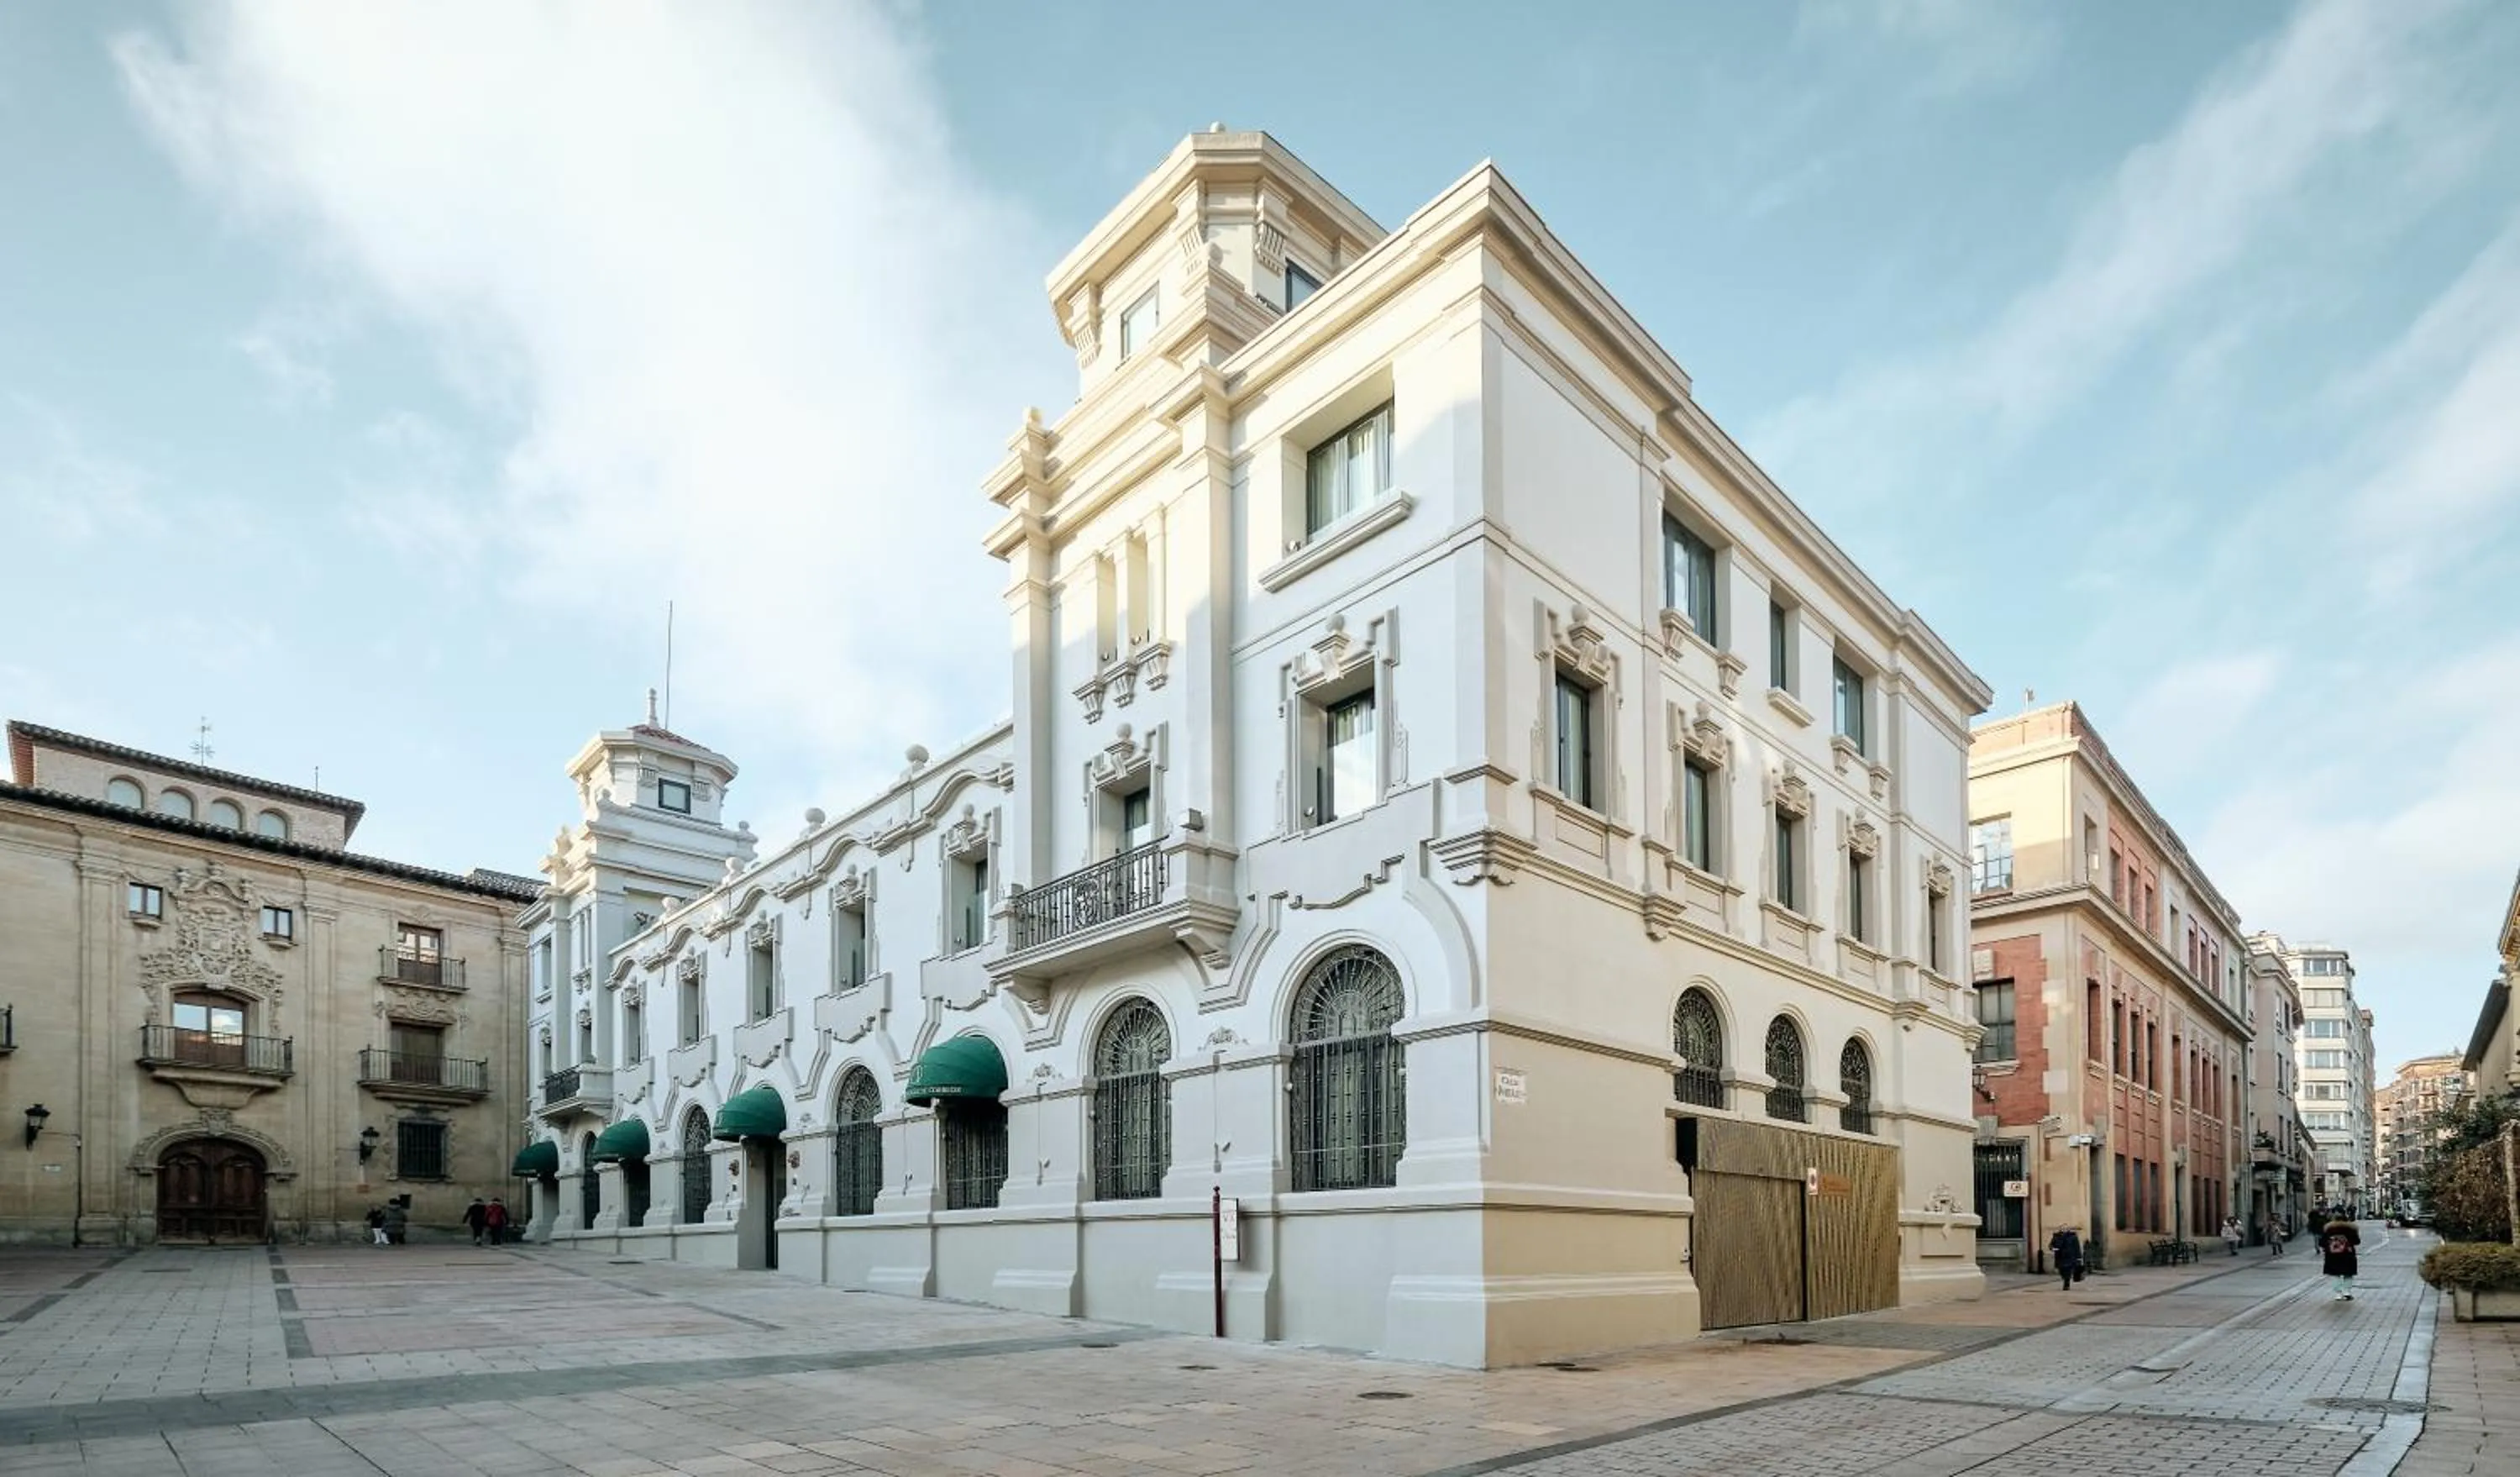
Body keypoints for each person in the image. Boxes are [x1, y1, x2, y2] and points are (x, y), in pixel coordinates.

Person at [2323, 1215, 2361, 1300]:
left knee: (2335, 1274)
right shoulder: (2351, 1228)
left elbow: (2322, 1242)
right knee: (2348, 1273)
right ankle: (2347, 1292)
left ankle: (2338, 1293)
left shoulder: (2329, 1229)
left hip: (2332, 1255)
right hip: (2347, 1254)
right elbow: (2357, 1241)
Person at [2048, 1225, 2086, 1291]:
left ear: (2068, 1229)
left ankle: (2066, 1284)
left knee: (2068, 1271)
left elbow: (2077, 1247)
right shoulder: (2056, 1236)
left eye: (2065, 1228)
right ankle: (2065, 1279)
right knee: (2061, 1270)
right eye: (2062, 1228)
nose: (2064, 1229)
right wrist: (2053, 1248)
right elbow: (2051, 1245)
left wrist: (2079, 1257)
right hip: (2060, 1257)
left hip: (2070, 1256)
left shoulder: (2073, 1237)